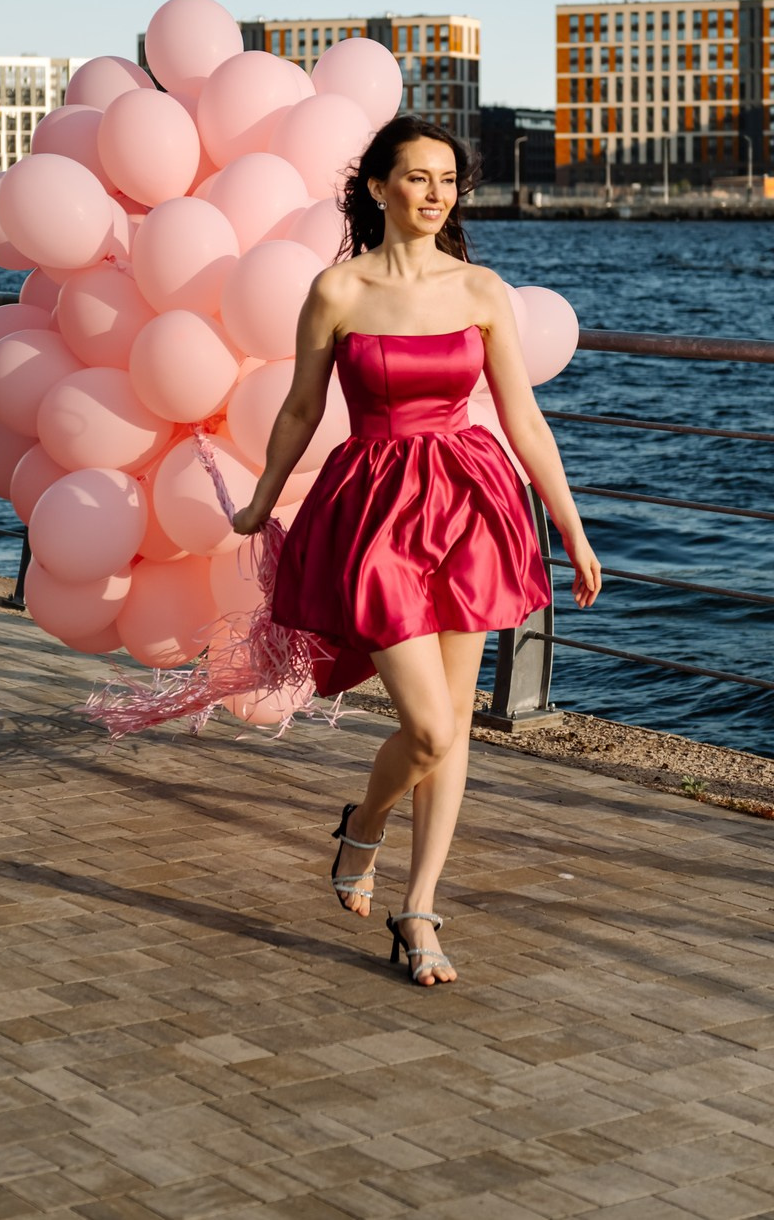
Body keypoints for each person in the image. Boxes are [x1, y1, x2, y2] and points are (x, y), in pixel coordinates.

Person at [233, 116, 601, 987]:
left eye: (448, 182)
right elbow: (297, 410)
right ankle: (362, 826)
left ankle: (419, 908)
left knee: (455, 727)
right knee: (428, 726)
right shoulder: (337, 291)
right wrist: (259, 497)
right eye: (418, 178)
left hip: (472, 505)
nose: (436, 196)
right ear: (376, 187)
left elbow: (523, 419)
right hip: (376, 511)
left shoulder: (480, 290)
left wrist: (574, 529)